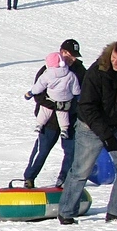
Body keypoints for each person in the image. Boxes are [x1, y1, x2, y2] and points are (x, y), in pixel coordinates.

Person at [57, 38, 117, 224]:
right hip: (90, 126)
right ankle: (66, 212)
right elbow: (86, 106)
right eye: (114, 57)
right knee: (81, 170)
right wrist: (106, 135)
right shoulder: (98, 71)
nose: (114, 62)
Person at [23, 40, 85, 188]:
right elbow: (38, 94)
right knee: (42, 150)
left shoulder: (80, 71)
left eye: (74, 56)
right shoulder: (47, 70)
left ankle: (63, 180)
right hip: (49, 119)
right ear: (61, 52)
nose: (72, 59)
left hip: (70, 119)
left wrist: (72, 107)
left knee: (71, 151)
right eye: (69, 55)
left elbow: (82, 94)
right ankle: (29, 178)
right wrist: (57, 106)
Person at [26, 53, 82, 138]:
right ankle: (64, 129)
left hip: (52, 98)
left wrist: (31, 93)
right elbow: (75, 89)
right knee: (63, 114)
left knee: (44, 110)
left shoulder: (47, 74)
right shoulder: (70, 74)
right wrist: (78, 96)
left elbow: (39, 86)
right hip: (65, 100)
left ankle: (39, 124)